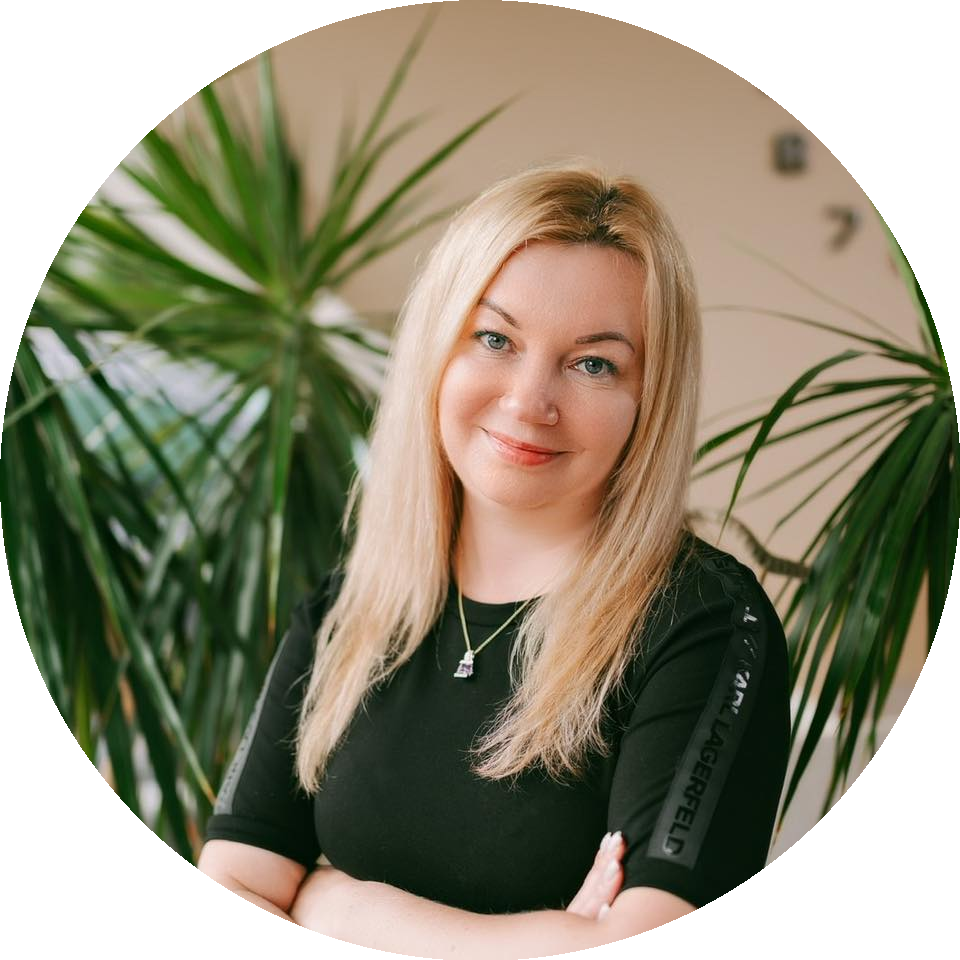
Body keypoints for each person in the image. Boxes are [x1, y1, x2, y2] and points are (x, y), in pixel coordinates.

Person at [197, 160, 792, 951]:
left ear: (649, 399)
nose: (528, 401)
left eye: (593, 363)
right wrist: (540, 937)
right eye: (494, 338)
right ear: (435, 351)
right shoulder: (348, 609)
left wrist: (339, 907)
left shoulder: (706, 619)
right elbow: (233, 877)